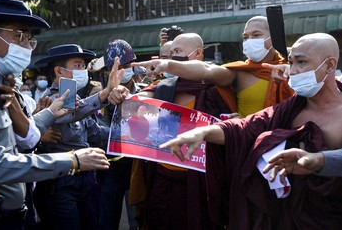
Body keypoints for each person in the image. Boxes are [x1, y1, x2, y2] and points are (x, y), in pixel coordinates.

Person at [160, 33, 342, 229]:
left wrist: (320, 160)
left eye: (302, 62)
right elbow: (244, 128)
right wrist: (203, 132)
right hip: (289, 216)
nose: (294, 71)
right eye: (291, 62)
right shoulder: (291, 108)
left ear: (330, 65)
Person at [0, 0, 110, 229]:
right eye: (19, 35)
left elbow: (20, 137)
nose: (27, 45)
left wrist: (49, 112)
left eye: (29, 38)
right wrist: (71, 160)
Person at [109, 33, 232, 229]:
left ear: (198, 53)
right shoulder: (163, 88)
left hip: (202, 179)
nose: (173, 57)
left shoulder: (215, 88)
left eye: (178, 51)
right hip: (164, 178)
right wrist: (121, 94)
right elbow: (140, 99)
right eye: (171, 52)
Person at [30, 43, 119, 230]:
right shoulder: (50, 100)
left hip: (84, 179)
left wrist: (127, 137)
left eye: (83, 66)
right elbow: (69, 113)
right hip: (59, 182)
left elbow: (95, 133)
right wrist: (104, 93)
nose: (82, 70)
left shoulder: (78, 101)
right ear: (59, 71)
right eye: (77, 65)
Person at [132, 16, 294, 118]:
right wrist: (168, 64)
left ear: (274, 38)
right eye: (245, 37)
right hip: (245, 141)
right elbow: (207, 70)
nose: (249, 40)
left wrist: (291, 72)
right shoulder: (239, 72)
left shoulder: (292, 68)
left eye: (256, 35)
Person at [98, 39, 140, 230]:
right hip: (110, 168)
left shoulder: (147, 93)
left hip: (137, 167)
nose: (121, 70)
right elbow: (97, 131)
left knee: (137, 220)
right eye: (115, 66)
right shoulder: (99, 98)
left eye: (126, 65)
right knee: (107, 220)